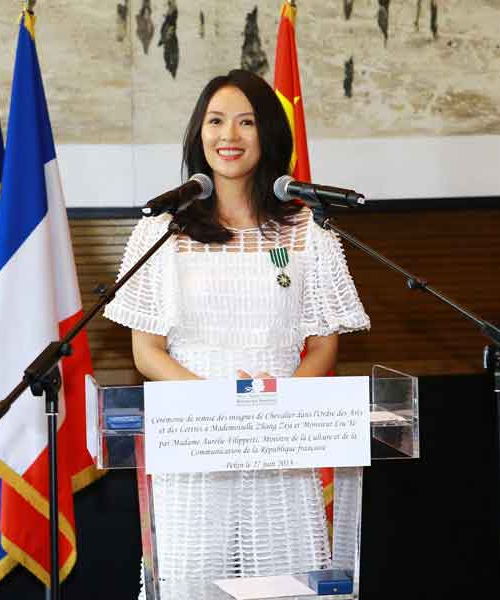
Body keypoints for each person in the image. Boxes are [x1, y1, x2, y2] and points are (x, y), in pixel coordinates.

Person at [104, 69, 370, 600]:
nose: (229, 136)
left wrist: (274, 401)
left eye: (245, 122)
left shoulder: (306, 232)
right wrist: (216, 401)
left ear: (267, 133)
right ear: (199, 135)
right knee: (190, 581)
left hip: (278, 433)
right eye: (216, 121)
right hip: (194, 430)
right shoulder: (163, 231)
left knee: (284, 579)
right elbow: (145, 350)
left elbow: (323, 343)